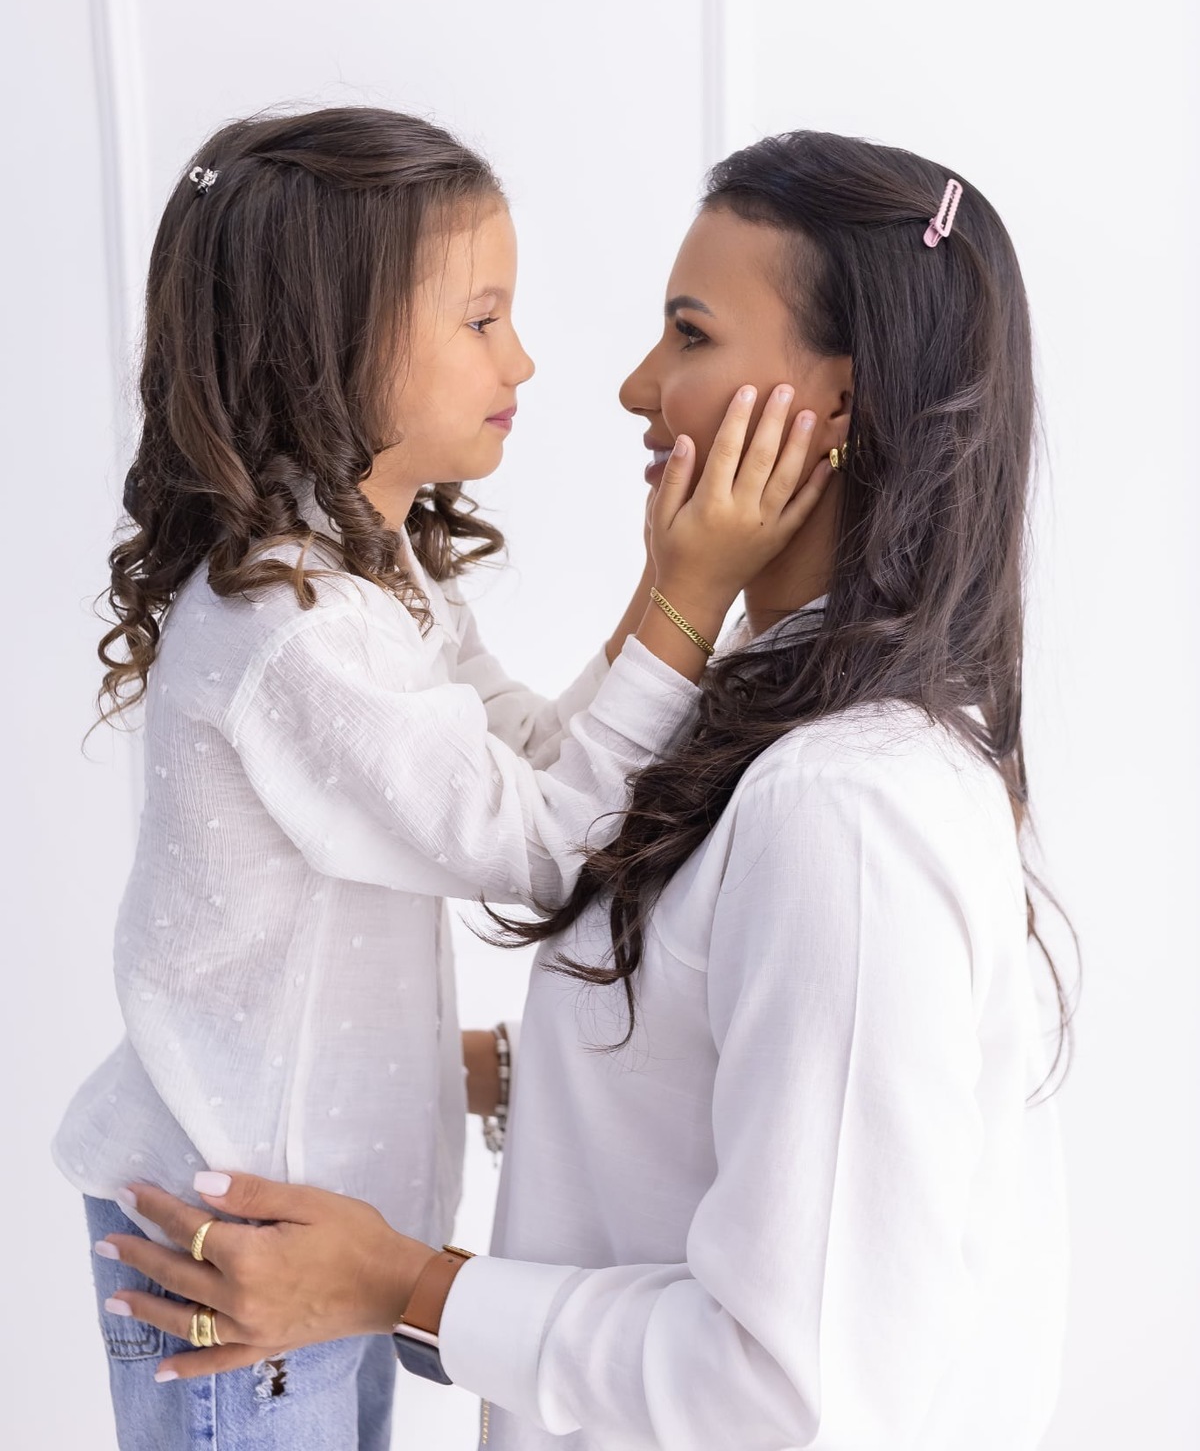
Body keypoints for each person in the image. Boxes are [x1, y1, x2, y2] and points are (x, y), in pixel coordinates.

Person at [94, 130, 1071, 1450]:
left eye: (687, 333)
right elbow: (566, 831)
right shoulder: (317, 621)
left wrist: (401, 1282)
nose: (617, 384)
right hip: (236, 1214)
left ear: (834, 410)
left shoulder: (845, 814)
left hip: (300, 1232)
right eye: (482, 319)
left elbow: (796, 1389)